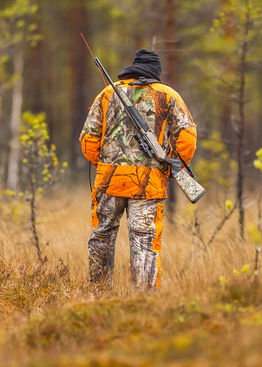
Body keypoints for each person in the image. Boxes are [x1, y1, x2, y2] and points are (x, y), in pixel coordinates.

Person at [79, 49, 197, 289]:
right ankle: (143, 301)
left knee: (102, 237)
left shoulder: (107, 93)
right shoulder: (168, 95)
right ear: (156, 72)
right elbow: (187, 137)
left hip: (109, 182)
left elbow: (88, 139)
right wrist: (168, 164)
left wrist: (102, 165)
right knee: (144, 242)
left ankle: (98, 295)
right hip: (148, 186)